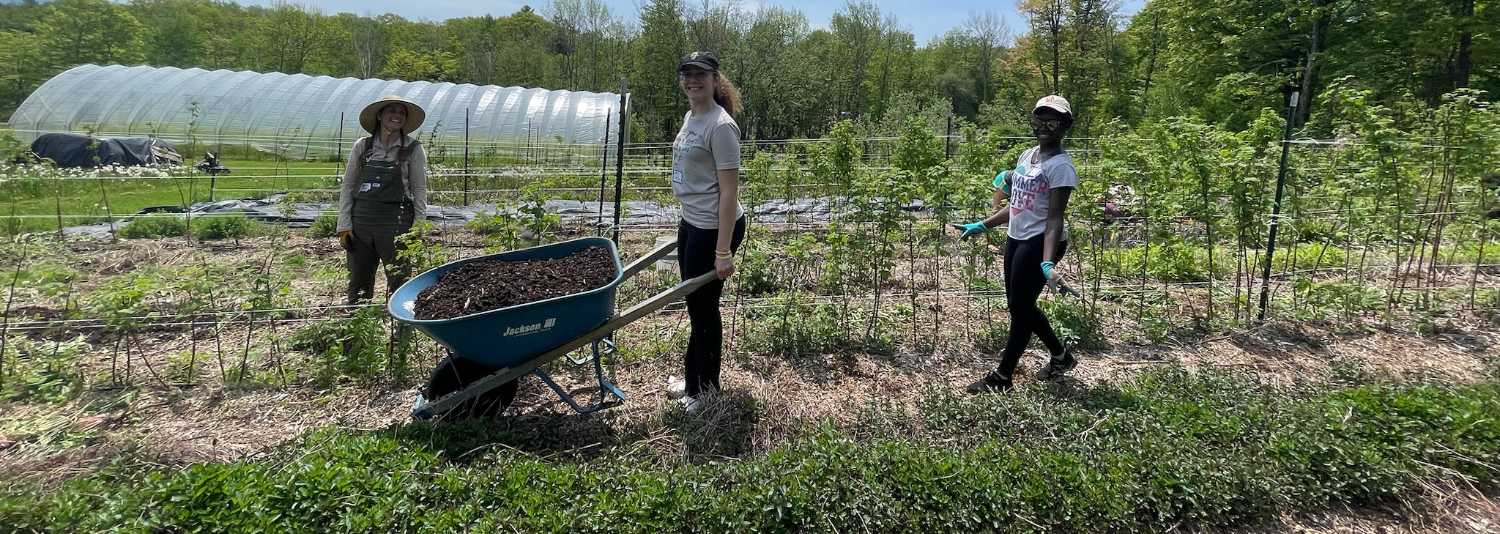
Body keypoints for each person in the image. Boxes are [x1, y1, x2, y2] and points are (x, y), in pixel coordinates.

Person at [954, 95, 1079, 392]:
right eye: (1040, 119)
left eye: (1053, 120)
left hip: (1040, 242)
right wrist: (983, 225)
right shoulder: (1028, 156)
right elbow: (1017, 205)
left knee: (1020, 307)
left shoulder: (1061, 167)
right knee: (1019, 306)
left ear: (1065, 126)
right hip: (1017, 237)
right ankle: (1061, 357)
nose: (1045, 125)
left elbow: (1054, 219)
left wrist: (1047, 263)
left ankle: (1002, 376)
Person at [664, 51, 747, 412]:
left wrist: (723, 250)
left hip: (715, 228)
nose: (692, 80)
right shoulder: (691, 116)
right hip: (692, 222)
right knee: (695, 304)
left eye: (700, 74)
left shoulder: (721, 125)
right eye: (687, 74)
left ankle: (705, 390)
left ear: (715, 79)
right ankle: (693, 380)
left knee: (704, 308)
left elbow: (729, 192)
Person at [336, 95, 428, 305]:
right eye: (391, 111)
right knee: (359, 283)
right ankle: (356, 332)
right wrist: (344, 225)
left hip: (396, 223)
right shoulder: (363, 147)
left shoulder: (413, 149)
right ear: (379, 115)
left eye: (401, 113)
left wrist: (419, 225)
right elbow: (348, 186)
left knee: (400, 282)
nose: (397, 116)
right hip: (361, 223)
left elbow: (420, 189)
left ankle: (403, 331)